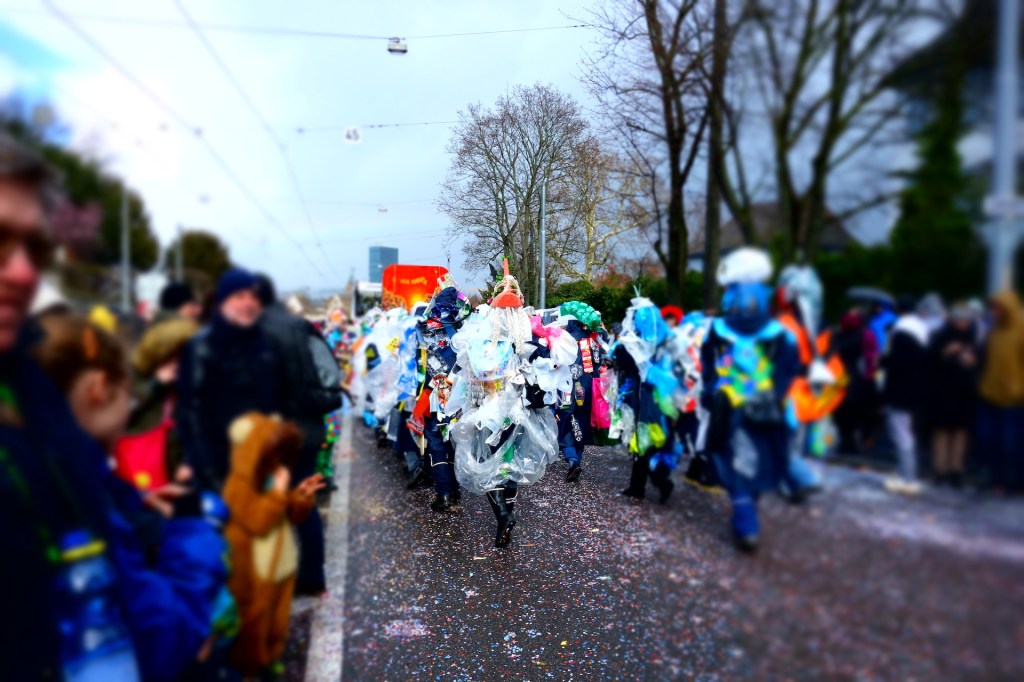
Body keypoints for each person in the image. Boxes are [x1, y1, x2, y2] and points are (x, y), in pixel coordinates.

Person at [30, 312, 232, 682]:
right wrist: (195, 529)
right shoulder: (75, 502)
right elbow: (162, 639)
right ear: (100, 388)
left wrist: (135, 501)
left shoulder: (38, 465)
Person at [447, 262, 559, 546]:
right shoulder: (530, 342)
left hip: (488, 414)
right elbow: (549, 371)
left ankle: (503, 517)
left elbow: (465, 376)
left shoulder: (480, 344)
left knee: (488, 463)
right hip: (520, 415)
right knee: (511, 463)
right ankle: (507, 513)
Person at [701, 248, 799, 551]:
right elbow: (789, 369)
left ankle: (746, 518)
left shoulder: (718, 329)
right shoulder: (779, 333)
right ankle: (747, 515)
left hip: (730, 404)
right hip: (763, 404)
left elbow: (707, 364)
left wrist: (711, 389)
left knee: (732, 461)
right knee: (755, 460)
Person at [255, 274, 341, 594]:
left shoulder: (251, 333)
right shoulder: (304, 329)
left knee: (266, 501)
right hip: (306, 430)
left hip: (266, 433)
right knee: (305, 501)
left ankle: (272, 580)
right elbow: (331, 379)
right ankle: (312, 577)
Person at [221, 413, 325, 677]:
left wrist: (300, 497)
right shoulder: (238, 485)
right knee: (255, 623)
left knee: (277, 622)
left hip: (281, 563)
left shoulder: (272, 475)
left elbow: (291, 514)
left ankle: (272, 656)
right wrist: (279, 492)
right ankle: (254, 667)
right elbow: (258, 521)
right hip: (258, 569)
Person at [178, 268, 282, 491]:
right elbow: (190, 415)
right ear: (222, 302)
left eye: (254, 296)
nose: (249, 303)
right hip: (218, 472)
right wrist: (210, 475)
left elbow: (272, 401)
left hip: (259, 466)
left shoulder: (263, 344)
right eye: (239, 296)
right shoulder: (201, 347)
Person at [881, 296, 930, 494]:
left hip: (900, 391)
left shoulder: (901, 332)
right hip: (915, 389)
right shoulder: (921, 329)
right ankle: (905, 473)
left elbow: (897, 364)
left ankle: (907, 477)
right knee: (905, 431)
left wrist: (883, 361)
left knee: (901, 432)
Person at [976, 290, 1024, 493]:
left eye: (998, 307)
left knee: (1012, 444)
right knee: (990, 440)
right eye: (993, 307)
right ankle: (999, 481)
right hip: (990, 394)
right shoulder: (993, 332)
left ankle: (1017, 482)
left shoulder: (1021, 331)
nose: (994, 311)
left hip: (1015, 398)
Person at [927, 303, 979, 487]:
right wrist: (945, 352)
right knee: (942, 431)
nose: (963, 323)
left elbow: (980, 362)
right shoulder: (941, 337)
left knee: (960, 432)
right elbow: (930, 362)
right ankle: (940, 469)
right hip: (943, 390)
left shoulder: (973, 338)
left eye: (966, 319)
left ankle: (956, 469)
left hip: (964, 391)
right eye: (959, 319)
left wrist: (973, 361)